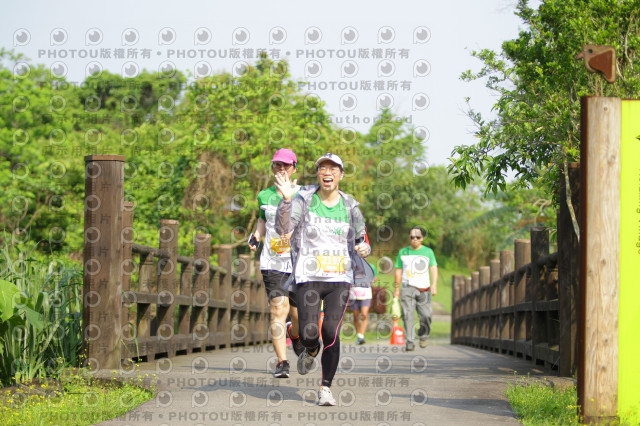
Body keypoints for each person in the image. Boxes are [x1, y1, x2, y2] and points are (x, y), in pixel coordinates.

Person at [275, 152, 372, 406]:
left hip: (340, 278)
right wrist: (286, 201)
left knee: (331, 330)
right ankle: (310, 348)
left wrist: (364, 249)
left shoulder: (350, 205)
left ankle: (325, 387)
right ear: (318, 174)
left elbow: (363, 239)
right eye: (322, 168)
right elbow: (284, 228)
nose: (327, 172)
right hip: (308, 276)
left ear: (340, 174)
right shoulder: (304, 199)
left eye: (333, 168)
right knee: (309, 333)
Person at [248, 148, 304, 378]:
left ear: (294, 168)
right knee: (278, 308)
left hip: (300, 263)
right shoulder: (264, 195)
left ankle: (296, 334)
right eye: (277, 165)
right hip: (273, 261)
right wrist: (256, 236)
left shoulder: (305, 195)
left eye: (286, 165)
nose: (281, 169)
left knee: (299, 313)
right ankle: (282, 362)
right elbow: (263, 220)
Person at [393, 226, 438, 351]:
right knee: (408, 315)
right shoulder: (403, 252)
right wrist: (397, 289)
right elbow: (398, 270)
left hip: (424, 288)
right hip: (407, 287)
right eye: (412, 237)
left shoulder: (428, 252)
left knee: (426, 315)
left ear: (422, 238)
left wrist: (434, 285)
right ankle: (410, 341)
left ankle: (423, 336)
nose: (415, 240)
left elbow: (433, 268)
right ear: (409, 238)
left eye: (418, 237)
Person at [350, 261, 377, 345]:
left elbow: (375, 277)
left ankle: (361, 336)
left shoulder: (370, 265)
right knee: (356, 316)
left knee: (364, 314)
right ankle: (359, 335)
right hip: (354, 293)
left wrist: (370, 282)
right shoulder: (352, 264)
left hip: (366, 293)